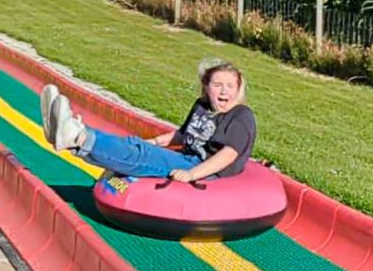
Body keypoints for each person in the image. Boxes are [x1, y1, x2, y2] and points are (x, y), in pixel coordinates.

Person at [40, 58, 256, 183]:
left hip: (205, 170)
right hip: (187, 158)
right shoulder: (202, 106)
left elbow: (228, 155)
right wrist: (154, 141)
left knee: (143, 156)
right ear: (206, 87)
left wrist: (192, 174)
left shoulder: (240, 116)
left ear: (238, 90)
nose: (224, 91)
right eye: (218, 85)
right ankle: (72, 136)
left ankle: (77, 137)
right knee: (136, 145)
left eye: (230, 86)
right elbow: (183, 135)